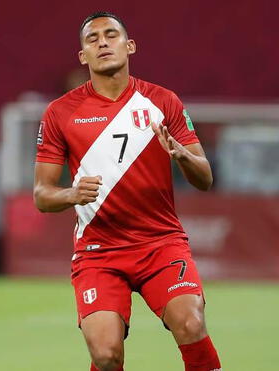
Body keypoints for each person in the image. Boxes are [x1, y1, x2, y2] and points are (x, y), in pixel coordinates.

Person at [33, 11, 221, 371]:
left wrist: (182, 156)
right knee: (105, 355)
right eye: (93, 39)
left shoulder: (163, 102)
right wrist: (71, 194)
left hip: (160, 243)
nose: (103, 42)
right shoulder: (59, 113)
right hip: (98, 252)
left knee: (191, 323)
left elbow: (205, 178)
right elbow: (42, 195)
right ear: (82, 56)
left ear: (129, 45)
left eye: (111, 34)